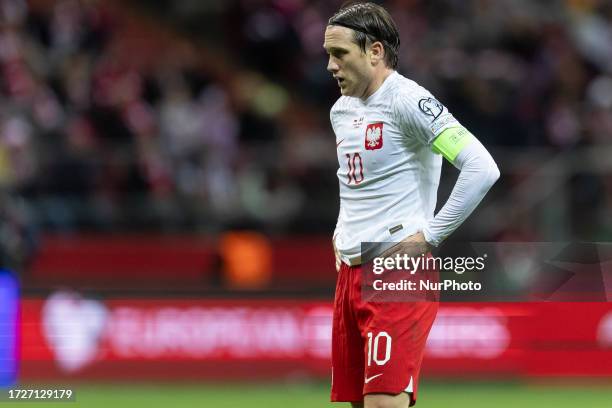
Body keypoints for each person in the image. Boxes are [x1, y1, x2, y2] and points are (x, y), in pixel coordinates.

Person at [324, 2, 500, 407]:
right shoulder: (342, 109)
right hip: (351, 273)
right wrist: (341, 229)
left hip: (397, 270)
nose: (331, 66)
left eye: (340, 54)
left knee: (385, 403)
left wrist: (431, 236)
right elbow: (354, 182)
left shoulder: (408, 101)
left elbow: (481, 166)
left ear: (375, 51)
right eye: (328, 55)